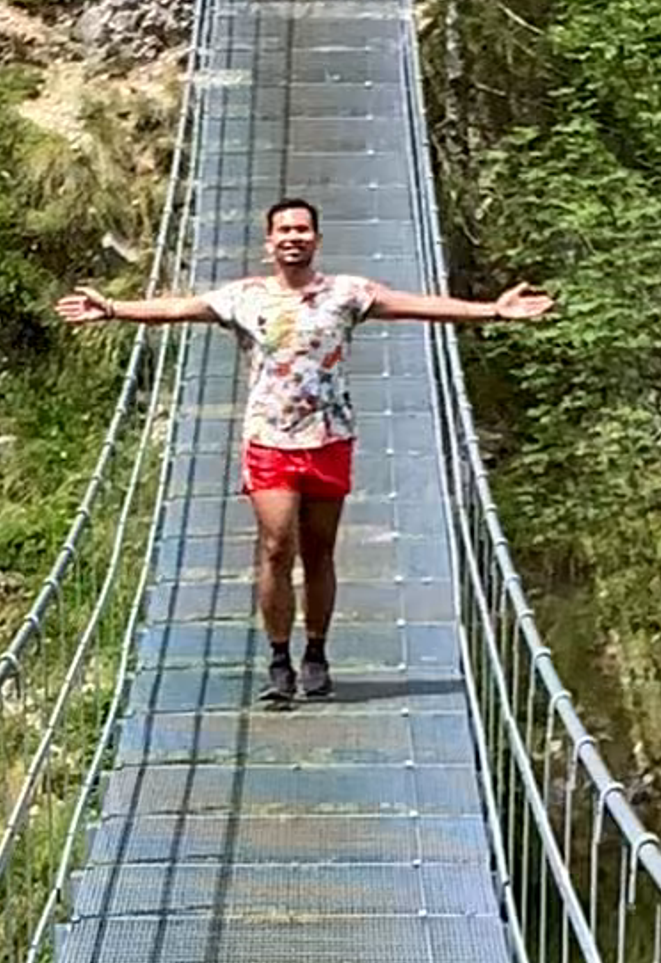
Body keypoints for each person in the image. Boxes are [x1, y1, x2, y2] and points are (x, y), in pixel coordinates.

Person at [61, 193, 554, 703]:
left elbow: (418, 306)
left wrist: (493, 311)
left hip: (329, 437)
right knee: (277, 546)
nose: (294, 237)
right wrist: (114, 309)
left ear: (316, 239)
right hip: (269, 440)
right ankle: (279, 658)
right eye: (284, 230)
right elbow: (177, 308)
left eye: (302, 229)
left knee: (319, 551)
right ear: (268, 242)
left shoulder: (347, 292)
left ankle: (315, 653)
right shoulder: (244, 297)